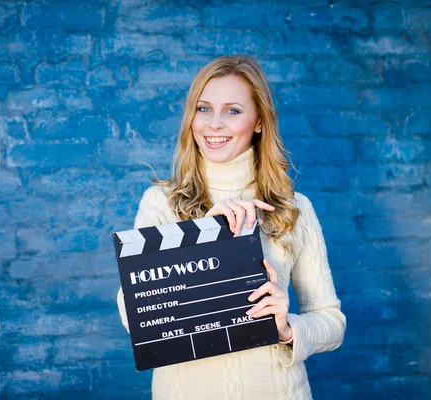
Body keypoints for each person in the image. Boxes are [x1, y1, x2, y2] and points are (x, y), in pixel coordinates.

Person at [116, 54, 346, 399]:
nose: (214, 124)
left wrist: (287, 327)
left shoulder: (294, 209)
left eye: (233, 110)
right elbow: (133, 315)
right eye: (204, 109)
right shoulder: (161, 203)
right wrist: (205, 236)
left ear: (258, 122)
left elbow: (332, 322)